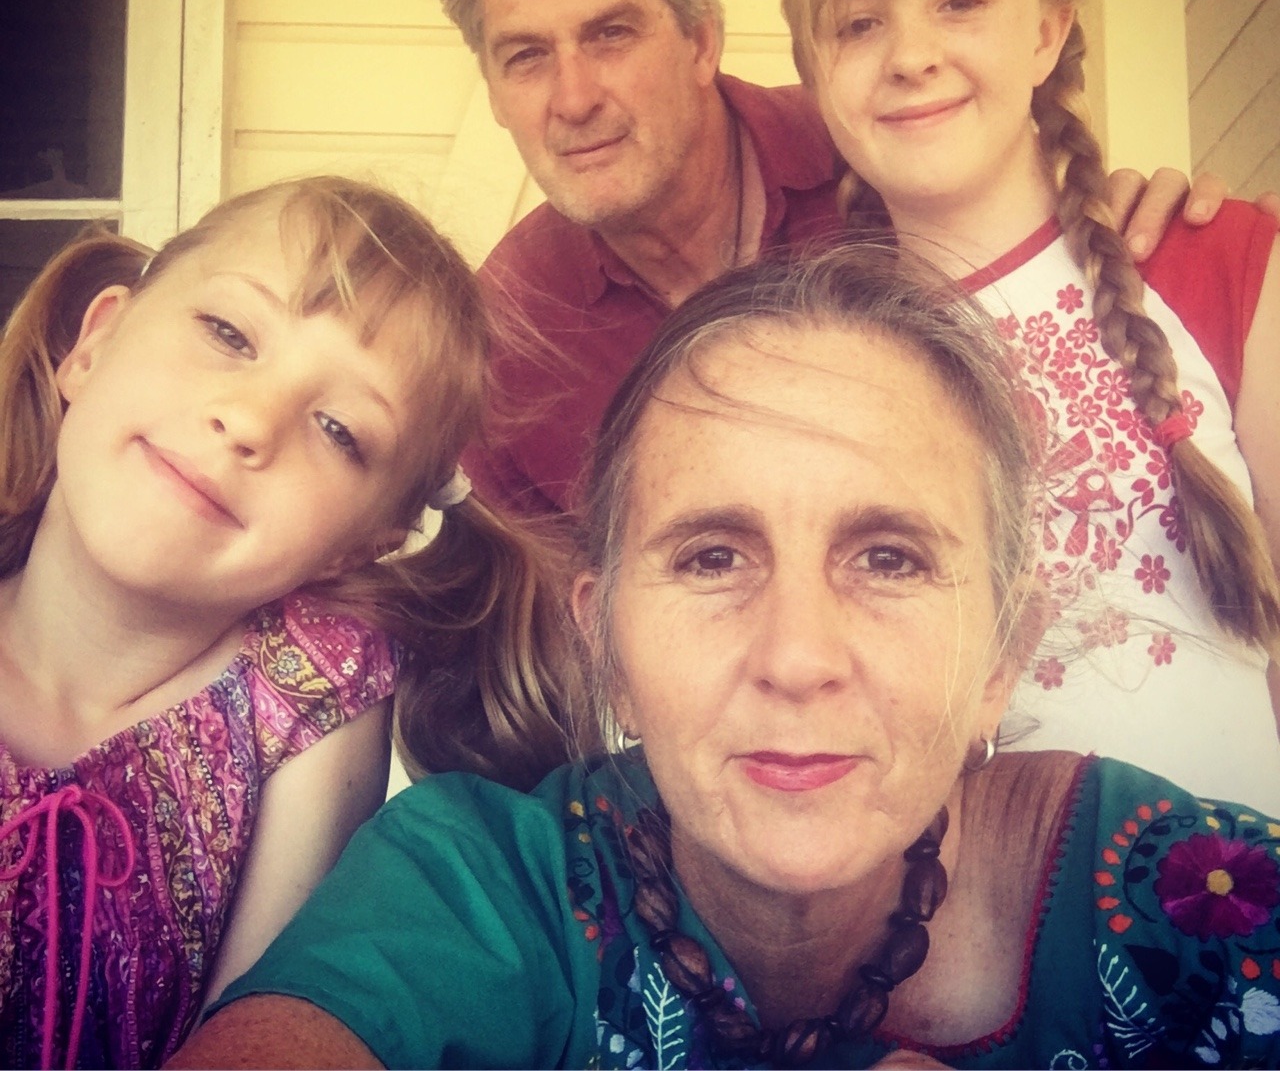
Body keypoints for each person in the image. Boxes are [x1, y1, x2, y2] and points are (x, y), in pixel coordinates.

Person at [170, 244, 1280, 1069]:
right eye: (711, 557)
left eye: (888, 558)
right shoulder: (476, 884)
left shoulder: (1194, 896)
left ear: (1001, 654)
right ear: (606, 639)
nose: (796, 657)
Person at [432, 0, 1249, 523]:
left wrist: (1184, 244)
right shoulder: (504, 341)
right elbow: (522, 625)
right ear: (493, 91)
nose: (573, 98)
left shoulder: (882, 152)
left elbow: (1043, 232)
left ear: (701, 41)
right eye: (526, 56)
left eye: (612, 34)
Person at [0, 177, 572, 1068]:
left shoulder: (309, 698)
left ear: (363, 546)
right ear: (95, 343)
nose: (250, 422)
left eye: (339, 429)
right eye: (229, 333)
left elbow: (255, 1035)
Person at [778, 0, 1280, 813]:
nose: (910, 53)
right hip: (955, 899)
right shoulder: (814, 354)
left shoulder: (1220, 260)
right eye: (859, 21)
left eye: (959, 0)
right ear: (813, 72)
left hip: (1228, 891)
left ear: (1047, 29)